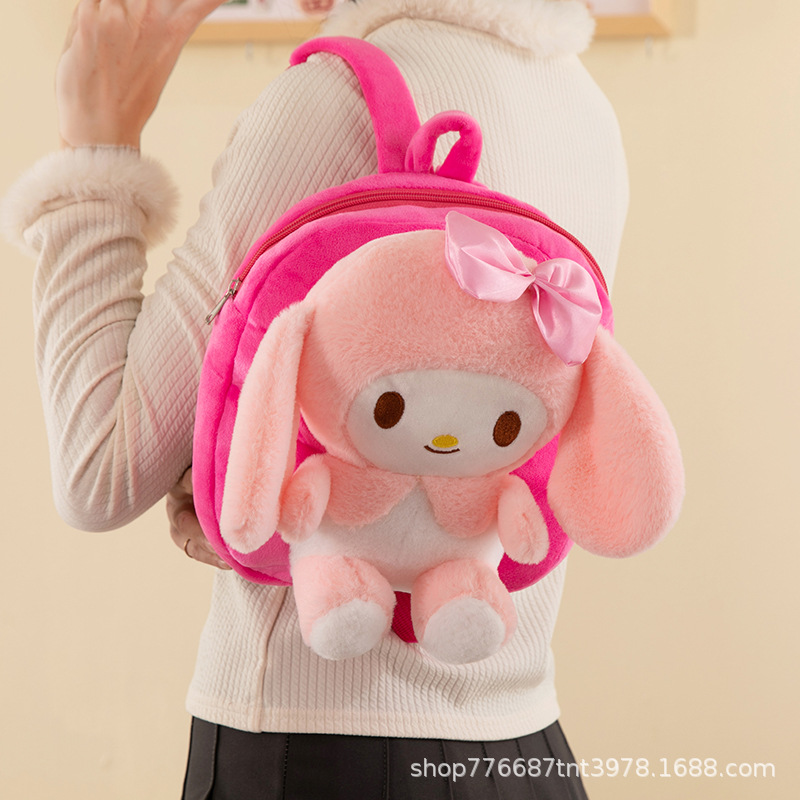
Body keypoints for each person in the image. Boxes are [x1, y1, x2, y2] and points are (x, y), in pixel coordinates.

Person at [2, 1, 628, 797]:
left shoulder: (337, 100)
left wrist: (96, 139)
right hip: (524, 748)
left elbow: (99, 470)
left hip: (314, 752)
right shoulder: (584, 111)